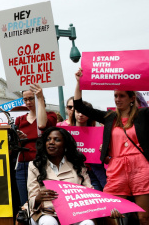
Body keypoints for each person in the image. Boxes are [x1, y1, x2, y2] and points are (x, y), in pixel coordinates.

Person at [74, 67, 149, 224]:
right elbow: (80, 106)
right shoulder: (109, 117)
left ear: (131, 98)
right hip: (117, 168)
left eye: (122, 96)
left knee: (144, 217)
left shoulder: (142, 115)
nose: (117, 99)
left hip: (141, 168)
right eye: (115, 95)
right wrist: (79, 81)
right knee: (111, 214)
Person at [27, 127, 94, 225]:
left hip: (74, 212)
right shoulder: (34, 166)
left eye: (57, 140)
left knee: (88, 223)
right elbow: (31, 198)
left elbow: (91, 192)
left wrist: (110, 207)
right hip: (46, 213)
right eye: (48, 139)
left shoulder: (77, 165)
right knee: (49, 223)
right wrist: (38, 198)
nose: (51, 142)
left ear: (65, 145)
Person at [15, 84, 57, 205]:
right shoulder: (20, 120)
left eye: (31, 98)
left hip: (43, 164)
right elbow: (14, 144)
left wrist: (39, 98)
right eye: (25, 99)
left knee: (45, 203)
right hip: (23, 165)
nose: (28, 102)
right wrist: (18, 138)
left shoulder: (51, 115)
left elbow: (42, 125)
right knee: (26, 203)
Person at [68, 101, 106, 192]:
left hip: (93, 173)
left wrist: (103, 148)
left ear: (89, 114)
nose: (81, 115)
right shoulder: (66, 133)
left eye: (84, 112)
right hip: (73, 172)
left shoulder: (98, 133)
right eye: (78, 112)